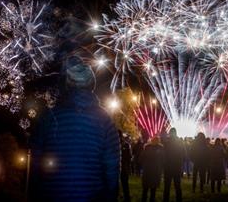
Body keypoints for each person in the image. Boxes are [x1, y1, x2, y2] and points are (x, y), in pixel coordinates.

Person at [29, 55, 120, 201]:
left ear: (66, 84)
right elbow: (112, 169)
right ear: (92, 85)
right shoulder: (105, 120)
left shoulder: (48, 117)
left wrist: (34, 195)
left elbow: (35, 164)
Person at [163, 128, 185, 202]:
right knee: (177, 186)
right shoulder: (180, 143)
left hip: (168, 167)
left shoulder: (167, 142)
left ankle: (165, 200)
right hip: (176, 166)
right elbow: (184, 154)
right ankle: (179, 199)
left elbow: (163, 155)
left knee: (167, 186)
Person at [140, 136, 164, 202]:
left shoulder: (147, 147)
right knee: (152, 190)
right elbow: (163, 160)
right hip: (154, 171)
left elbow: (141, 158)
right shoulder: (160, 148)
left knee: (146, 189)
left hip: (148, 170)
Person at [120, 132, 132, 202]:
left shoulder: (126, 145)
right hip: (121, 167)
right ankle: (126, 196)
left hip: (123, 167)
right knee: (124, 184)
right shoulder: (126, 144)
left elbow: (129, 156)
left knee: (124, 183)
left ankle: (126, 197)